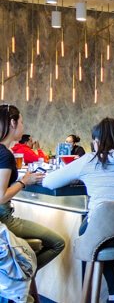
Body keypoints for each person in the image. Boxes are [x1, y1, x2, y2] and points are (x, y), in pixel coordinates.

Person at [43, 118, 114, 303]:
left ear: (95, 142)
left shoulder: (88, 160)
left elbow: (49, 182)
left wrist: (78, 177)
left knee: (96, 230)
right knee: (105, 229)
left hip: (102, 237)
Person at [0, 105, 65, 284]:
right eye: (21, 122)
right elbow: (1, 196)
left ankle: (15, 277)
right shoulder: (5, 155)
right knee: (58, 242)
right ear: (12, 123)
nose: (23, 126)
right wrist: (24, 182)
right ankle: (20, 278)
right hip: (3, 220)